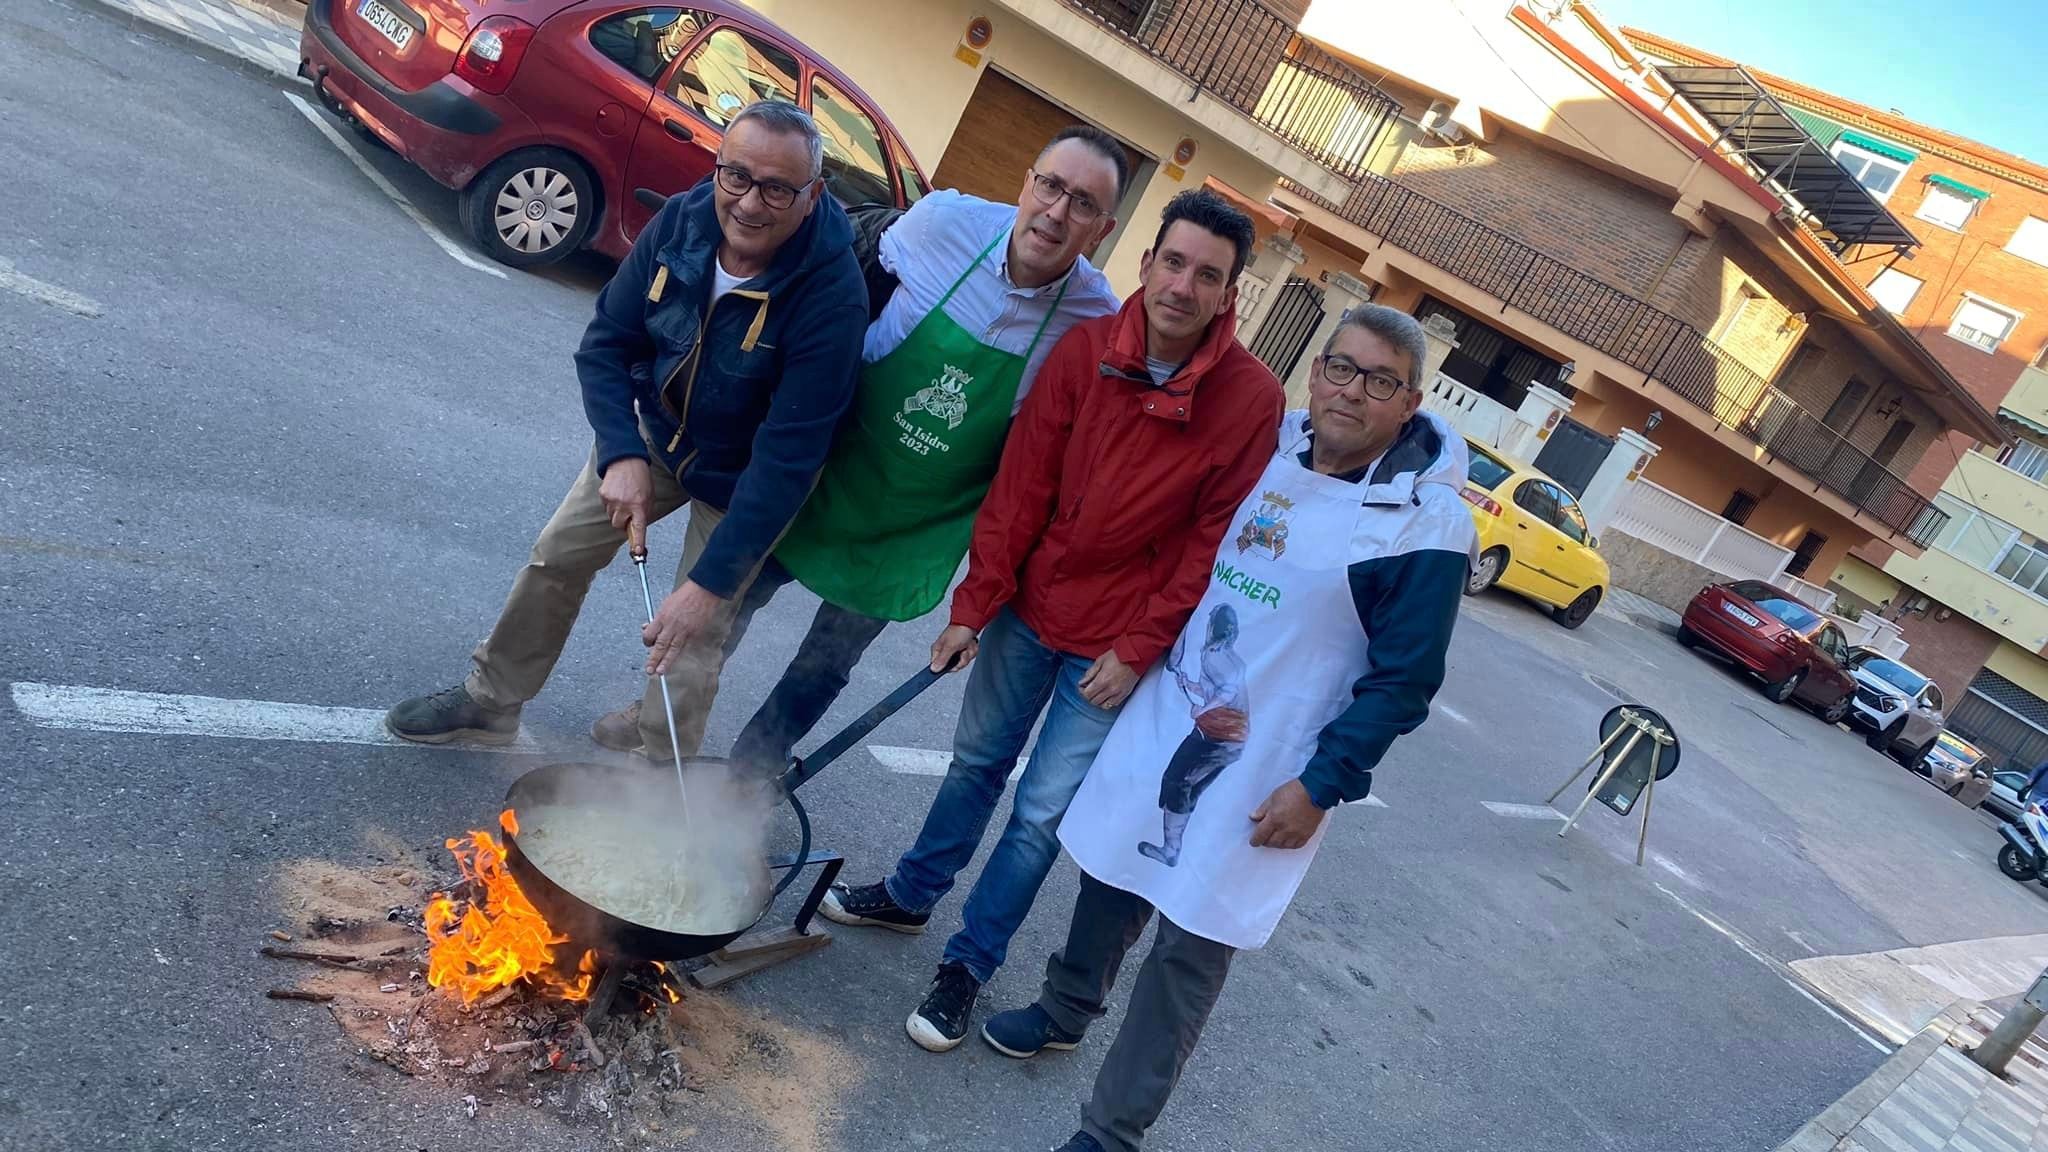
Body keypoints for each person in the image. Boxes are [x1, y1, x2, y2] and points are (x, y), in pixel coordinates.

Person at [974, 304, 1476, 1152]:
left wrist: (1321, 787)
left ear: (1410, 402)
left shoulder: (1425, 525)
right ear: (1316, 372)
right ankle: (1066, 1008)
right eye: (1341, 368)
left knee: (1191, 943)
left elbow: (1404, 683)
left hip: (1276, 761)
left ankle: (1111, 1131)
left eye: (1381, 381)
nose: (1353, 392)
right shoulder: (1273, 448)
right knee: (1112, 874)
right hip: (1174, 711)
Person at [819, 187, 1286, 1054]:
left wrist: (1139, 646)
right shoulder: (1084, 349)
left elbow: (1211, 546)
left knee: (1038, 814)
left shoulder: (1251, 402)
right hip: (1030, 609)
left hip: (1112, 647)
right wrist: (976, 604)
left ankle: (968, 965)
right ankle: (914, 896)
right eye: (1174, 262)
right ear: (1146, 264)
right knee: (973, 768)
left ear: (1231, 295)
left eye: (1208, 275)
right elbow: (1022, 486)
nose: (1184, 286)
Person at [587, 126, 1128, 769]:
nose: (1058, 212)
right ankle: (658, 717)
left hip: (916, 522)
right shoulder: (943, 224)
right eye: (1051, 186)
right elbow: (838, 269)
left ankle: (748, 774)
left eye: (1084, 204)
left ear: (1102, 229)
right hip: (832, 467)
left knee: (828, 660)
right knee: (729, 602)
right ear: (1027, 182)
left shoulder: (1096, 320)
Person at [383, 102, 866, 758]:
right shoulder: (680, 226)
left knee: (692, 634)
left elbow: (789, 458)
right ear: (717, 169)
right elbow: (607, 344)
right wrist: (620, 453)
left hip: (746, 476)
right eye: (737, 177)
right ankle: (491, 703)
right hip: (658, 433)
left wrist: (708, 587)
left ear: (812, 196)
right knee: (558, 556)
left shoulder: (833, 297)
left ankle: (656, 777)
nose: (750, 204)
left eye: (778, 188)